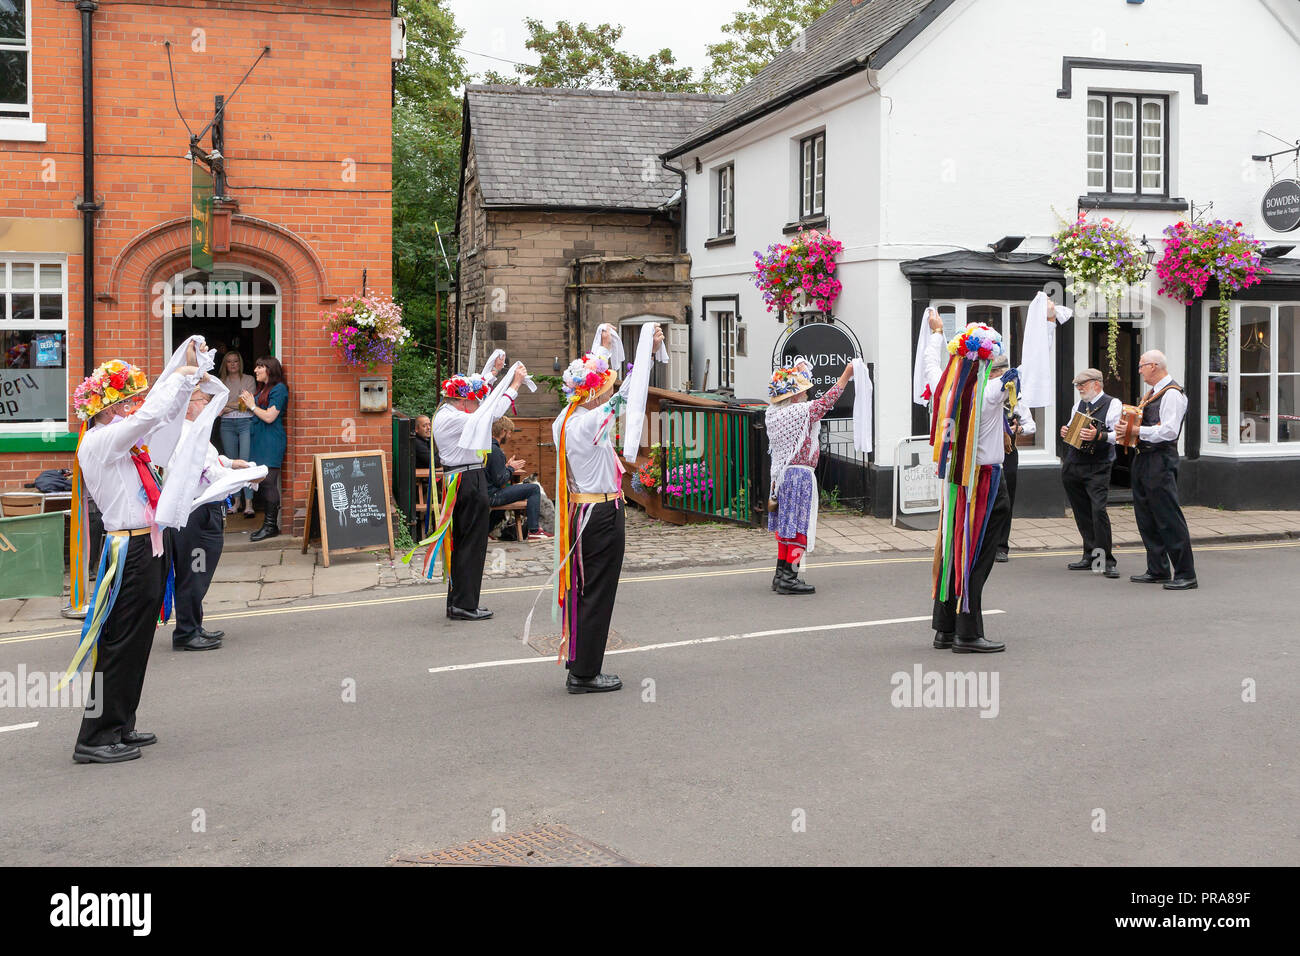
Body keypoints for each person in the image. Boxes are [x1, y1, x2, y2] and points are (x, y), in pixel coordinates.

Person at [62, 341, 210, 763]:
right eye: (126, 400)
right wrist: (176, 377)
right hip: (127, 547)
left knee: (138, 640)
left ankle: (120, 724)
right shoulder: (100, 440)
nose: (133, 407)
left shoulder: (124, 441)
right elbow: (150, 414)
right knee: (119, 642)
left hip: (148, 543)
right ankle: (94, 737)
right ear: (107, 408)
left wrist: (185, 384)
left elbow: (160, 420)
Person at [551, 326, 664, 693]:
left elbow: (597, 391)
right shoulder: (590, 424)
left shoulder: (564, 420)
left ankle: (579, 663)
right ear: (594, 393)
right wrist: (645, 352)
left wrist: (598, 351)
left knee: (585, 589)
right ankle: (585, 673)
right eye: (604, 388)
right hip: (599, 514)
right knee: (597, 591)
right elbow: (625, 397)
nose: (609, 392)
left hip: (582, 511)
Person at [168, 389, 265, 651]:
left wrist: (233, 463)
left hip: (201, 512)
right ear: (188, 407)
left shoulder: (194, 430)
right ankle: (186, 633)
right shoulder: (186, 434)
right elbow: (206, 472)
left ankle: (194, 627)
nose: (208, 404)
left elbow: (212, 461)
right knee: (193, 574)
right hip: (195, 514)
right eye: (202, 400)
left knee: (197, 573)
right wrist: (247, 478)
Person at [432, 355, 527, 620]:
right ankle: (464, 604)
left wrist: (493, 372)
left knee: (464, 543)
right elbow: (494, 412)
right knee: (471, 544)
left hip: (463, 479)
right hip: (467, 481)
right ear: (462, 402)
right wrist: (515, 384)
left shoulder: (448, 412)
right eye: (473, 401)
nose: (477, 405)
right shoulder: (456, 418)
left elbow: (480, 392)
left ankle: (459, 601)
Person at [765, 358, 854, 594]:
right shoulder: (799, 411)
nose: (807, 394)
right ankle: (790, 578)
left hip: (782, 476)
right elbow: (826, 402)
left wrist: (800, 372)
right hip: (798, 476)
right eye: (803, 390)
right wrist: (846, 375)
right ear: (795, 396)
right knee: (798, 528)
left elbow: (809, 402)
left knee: (786, 527)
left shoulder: (774, 413)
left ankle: (781, 575)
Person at [1116, 350, 1196, 590]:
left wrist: (1138, 432)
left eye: (1141, 366)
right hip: (1143, 458)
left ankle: (1185, 573)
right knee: (1146, 517)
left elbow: (1170, 431)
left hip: (1160, 459)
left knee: (1168, 517)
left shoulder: (1171, 394)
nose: (1139, 370)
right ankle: (1158, 569)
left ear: (1154, 366)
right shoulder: (1151, 394)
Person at [1059, 368, 1121, 578]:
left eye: (1082, 385)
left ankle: (1106, 560)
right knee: (1081, 511)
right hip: (1074, 463)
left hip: (1098, 465)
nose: (1079, 389)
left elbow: (1118, 435)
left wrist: (1099, 435)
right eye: (1077, 386)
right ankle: (1089, 555)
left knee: (1097, 511)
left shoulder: (1113, 404)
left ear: (1097, 384)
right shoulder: (1079, 405)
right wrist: (1066, 431)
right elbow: (1071, 426)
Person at [990, 352, 1036, 563]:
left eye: (994, 372)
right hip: (986, 454)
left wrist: (1019, 429)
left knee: (1005, 501)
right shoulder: (984, 396)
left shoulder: (1015, 399)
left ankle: (1001, 546)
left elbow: (1031, 425)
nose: (991, 376)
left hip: (1008, 455)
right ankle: (984, 543)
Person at [241, 356, 288, 542]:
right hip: (260, 440)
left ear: (269, 369)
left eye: (259, 367)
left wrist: (252, 405)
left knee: (269, 482)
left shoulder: (279, 389)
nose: (255, 370)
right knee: (262, 482)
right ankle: (269, 525)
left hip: (271, 441)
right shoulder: (264, 389)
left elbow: (270, 417)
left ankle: (270, 526)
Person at [486, 417, 548, 541]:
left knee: (510, 497)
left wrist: (506, 467)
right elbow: (500, 480)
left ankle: (485, 532)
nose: (509, 436)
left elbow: (492, 474)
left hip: (485, 493)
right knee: (534, 489)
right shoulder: (496, 451)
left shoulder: (486, 448)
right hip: (493, 496)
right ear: (503, 431)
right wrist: (511, 469)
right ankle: (534, 531)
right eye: (509, 432)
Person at [218, 350, 257, 517]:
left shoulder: (248, 379)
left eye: (236, 361)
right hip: (226, 425)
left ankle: (249, 503)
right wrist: (236, 404)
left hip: (245, 423)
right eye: (229, 361)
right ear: (225, 364)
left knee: (246, 462)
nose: (233, 364)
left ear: (240, 363)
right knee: (232, 463)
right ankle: (236, 502)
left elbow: (246, 406)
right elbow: (218, 407)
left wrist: (228, 405)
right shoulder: (220, 382)